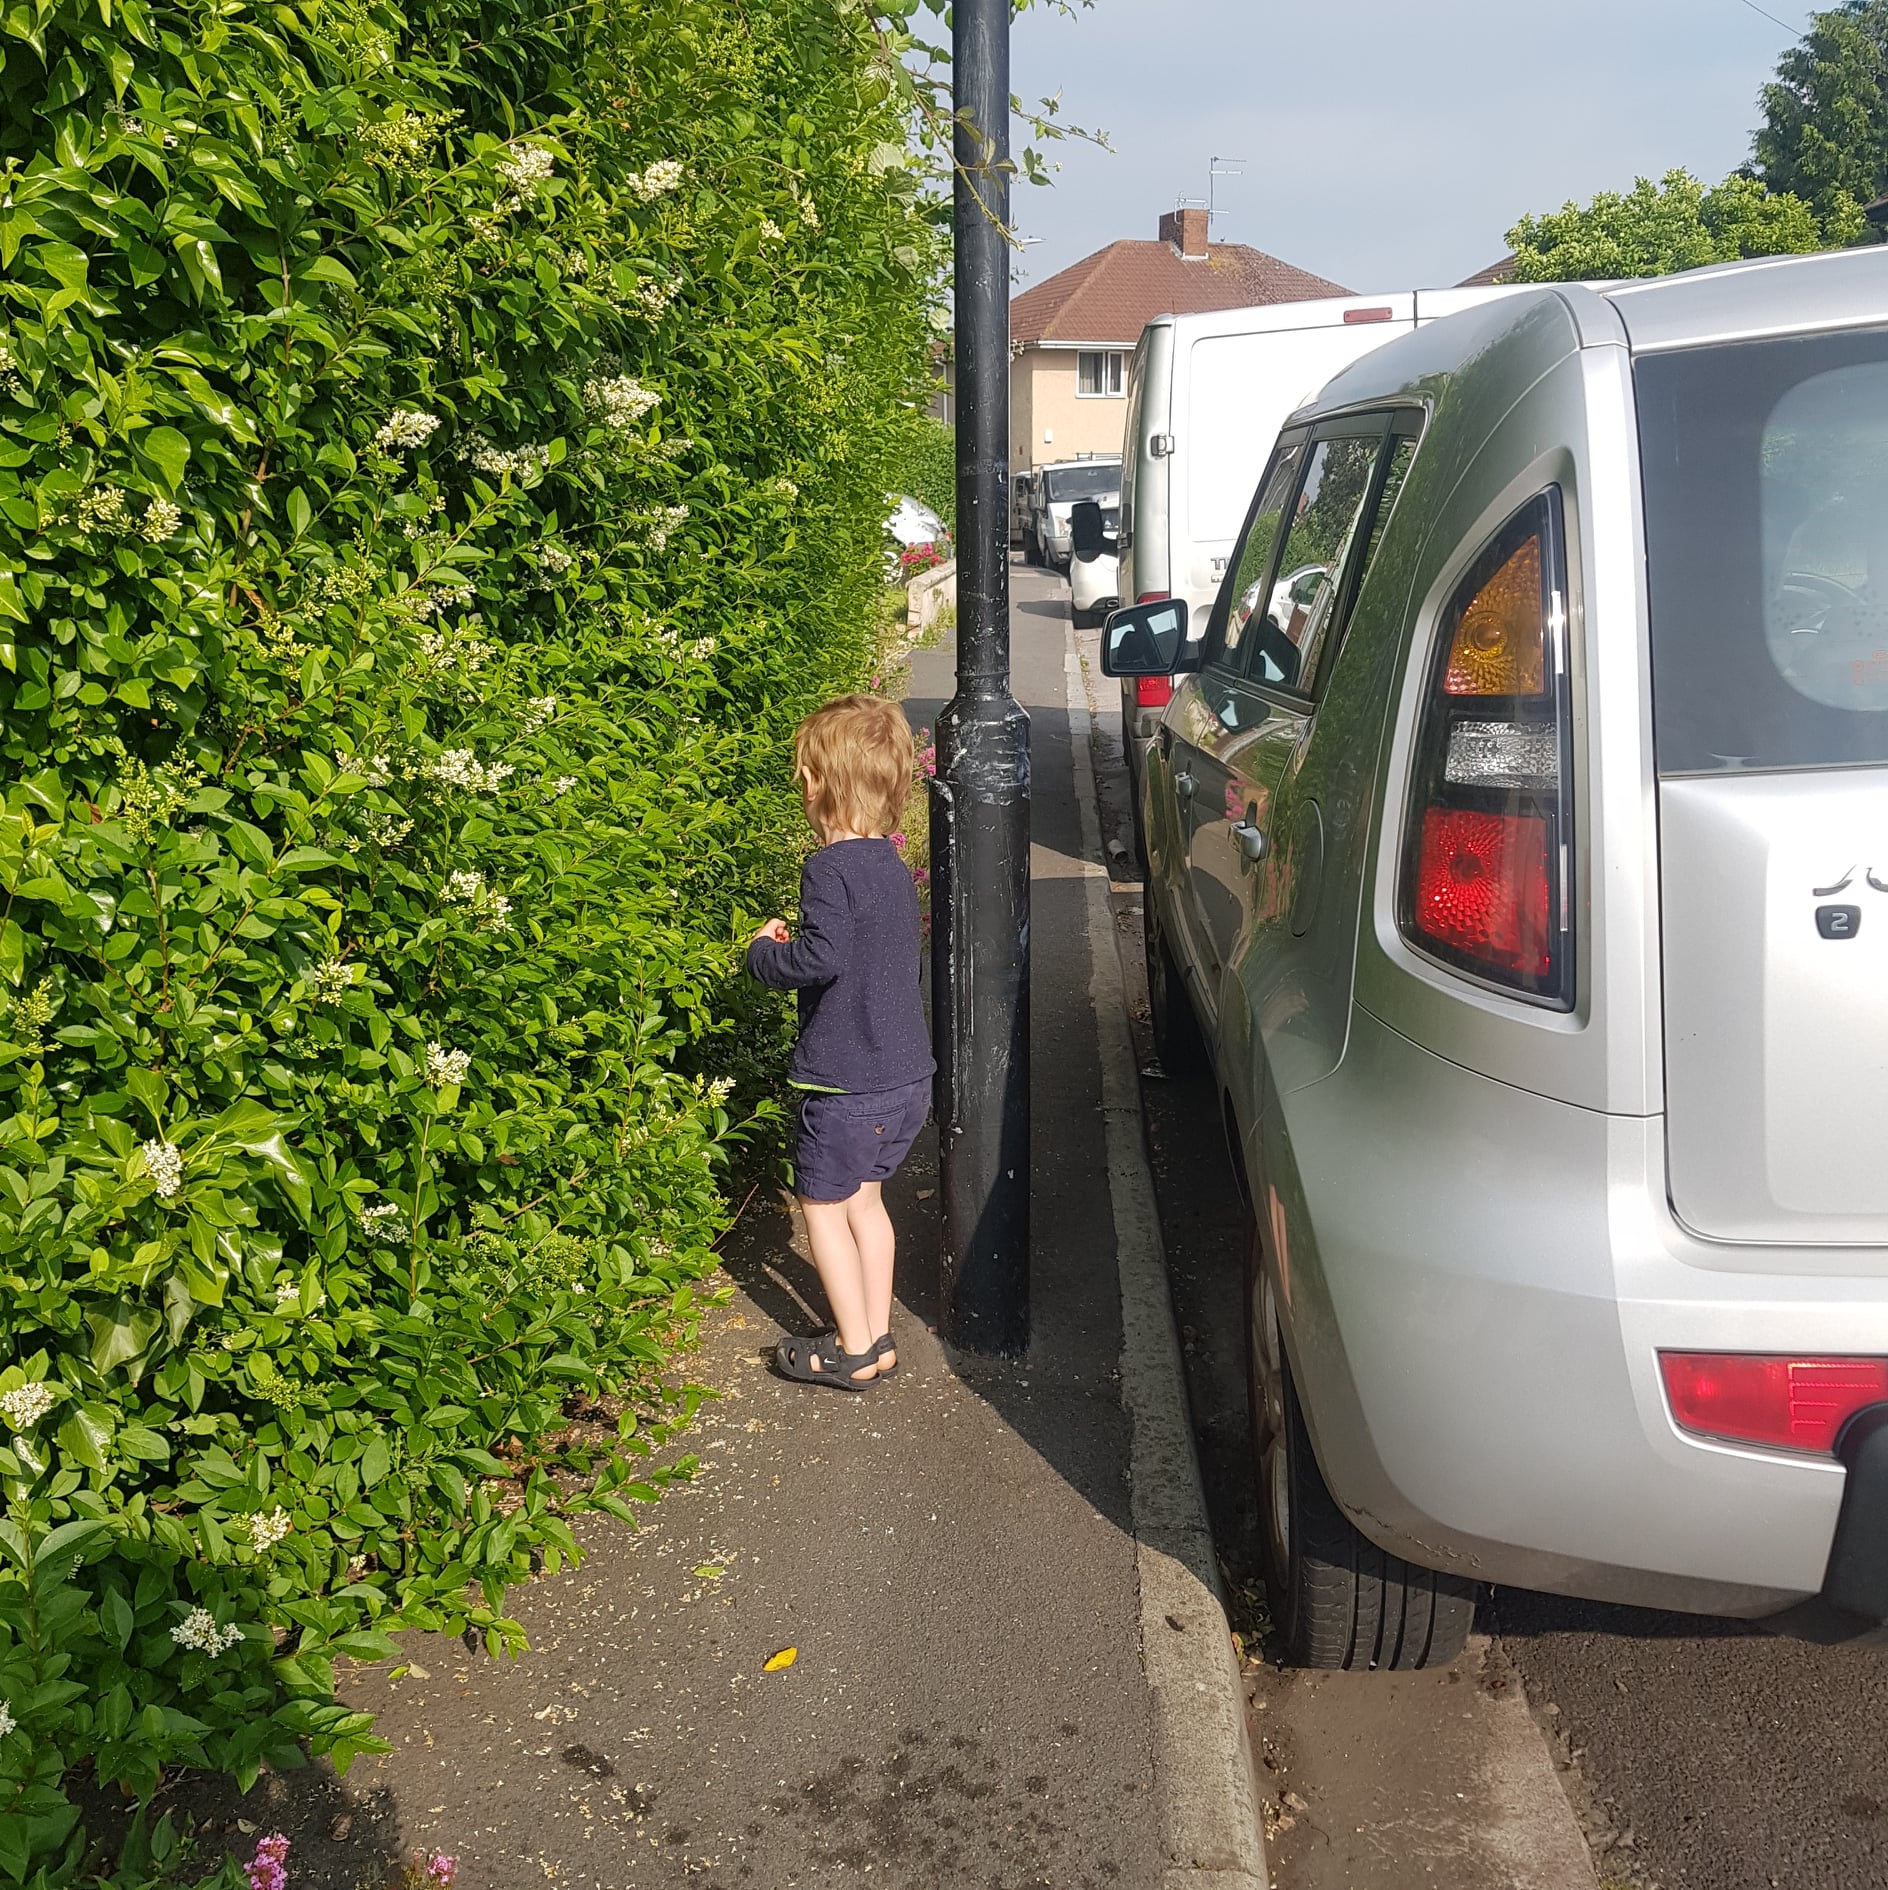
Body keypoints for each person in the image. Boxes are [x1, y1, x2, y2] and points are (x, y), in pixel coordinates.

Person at [747, 694, 934, 1391]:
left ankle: (852, 1352)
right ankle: (878, 1335)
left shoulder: (826, 869)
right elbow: (858, 952)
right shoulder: (890, 863)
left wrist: (764, 953)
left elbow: (820, 960)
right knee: (867, 1203)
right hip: (907, 1078)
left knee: (821, 1208)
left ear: (814, 785)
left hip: (844, 1086)